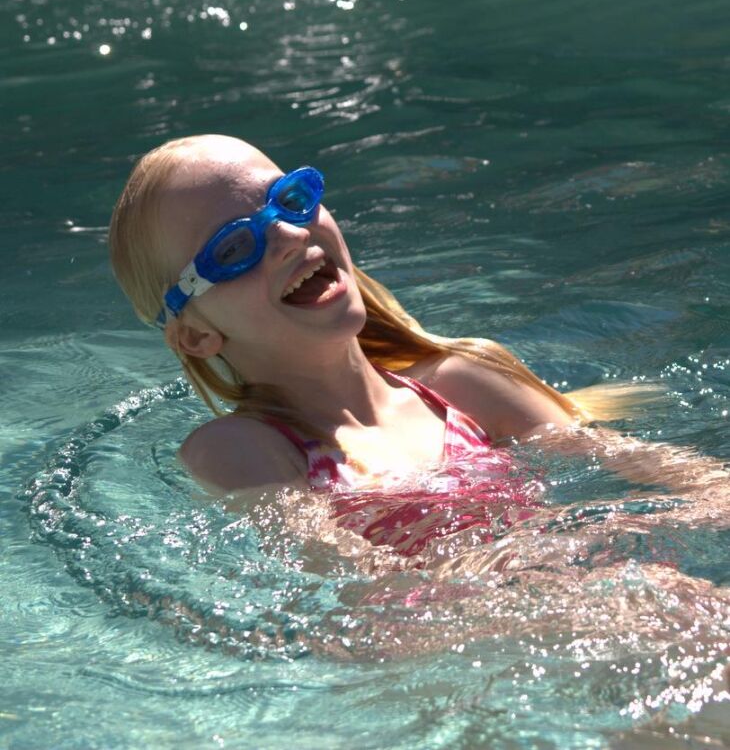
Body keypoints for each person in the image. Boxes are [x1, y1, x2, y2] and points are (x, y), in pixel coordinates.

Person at [108, 133, 728, 559]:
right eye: (235, 247)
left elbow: (667, 474)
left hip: (600, 596)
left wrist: (643, 526)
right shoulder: (241, 447)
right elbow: (344, 574)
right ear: (195, 334)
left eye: (290, 200)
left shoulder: (459, 385)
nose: (291, 234)